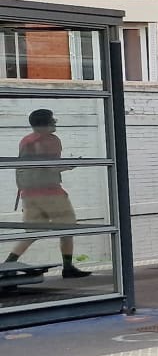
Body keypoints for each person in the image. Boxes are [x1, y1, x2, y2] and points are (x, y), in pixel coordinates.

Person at [6, 109, 91, 278]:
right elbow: (50, 166)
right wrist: (72, 164)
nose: (55, 122)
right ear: (45, 124)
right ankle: (67, 267)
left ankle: (8, 264)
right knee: (68, 227)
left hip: (28, 194)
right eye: (52, 120)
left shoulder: (26, 140)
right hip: (50, 193)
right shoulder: (51, 140)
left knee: (33, 231)